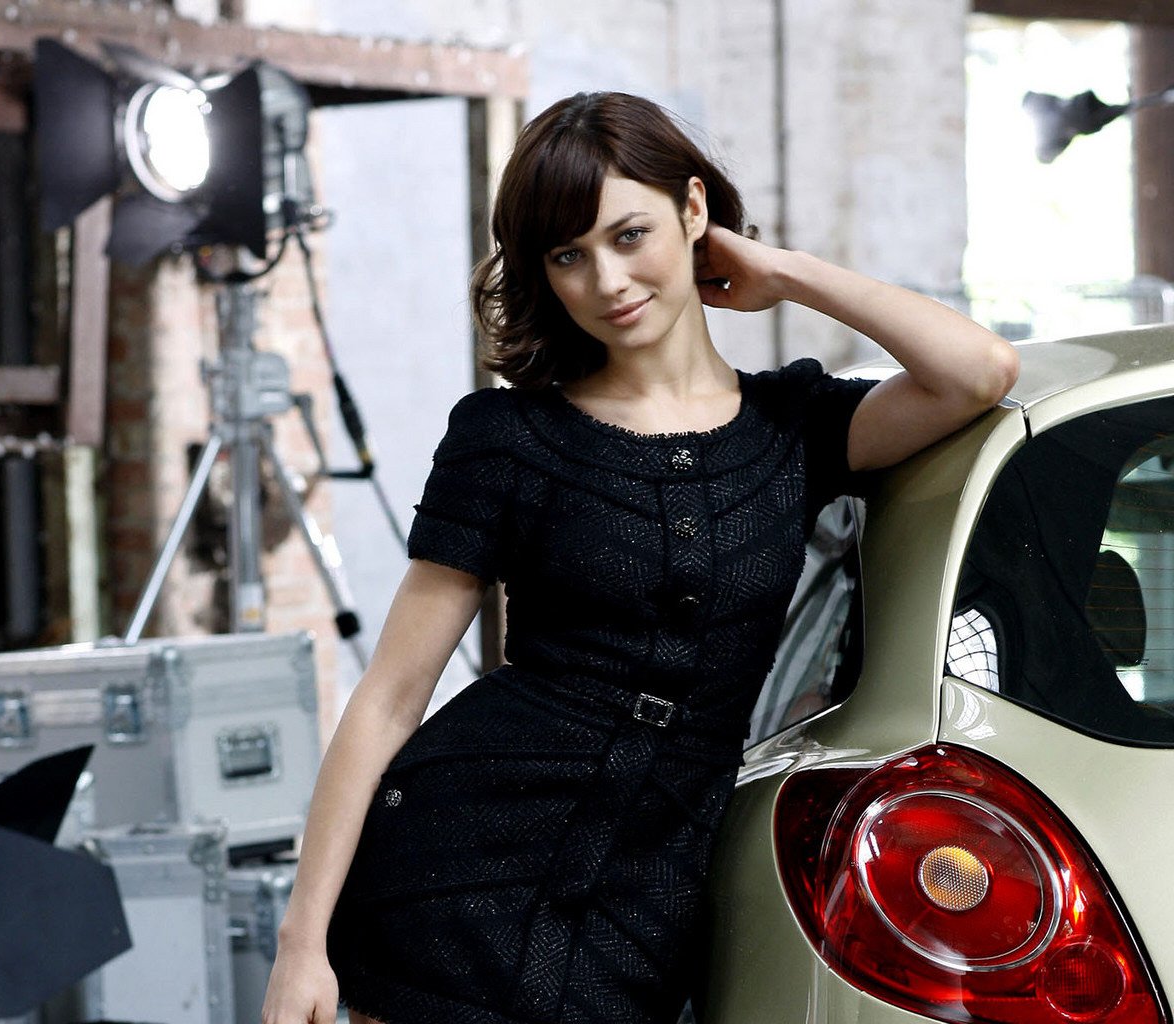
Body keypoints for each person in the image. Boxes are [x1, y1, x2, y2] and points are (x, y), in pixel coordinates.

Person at [261, 91, 1019, 1024]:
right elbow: (387, 698)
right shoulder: (506, 439)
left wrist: (784, 272)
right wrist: (302, 942)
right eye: (567, 255)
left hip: (647, 908)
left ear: (693, 210)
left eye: (630, 235)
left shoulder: (792, 428)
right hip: (451, 878)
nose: (606, 281)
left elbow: (979, 371)